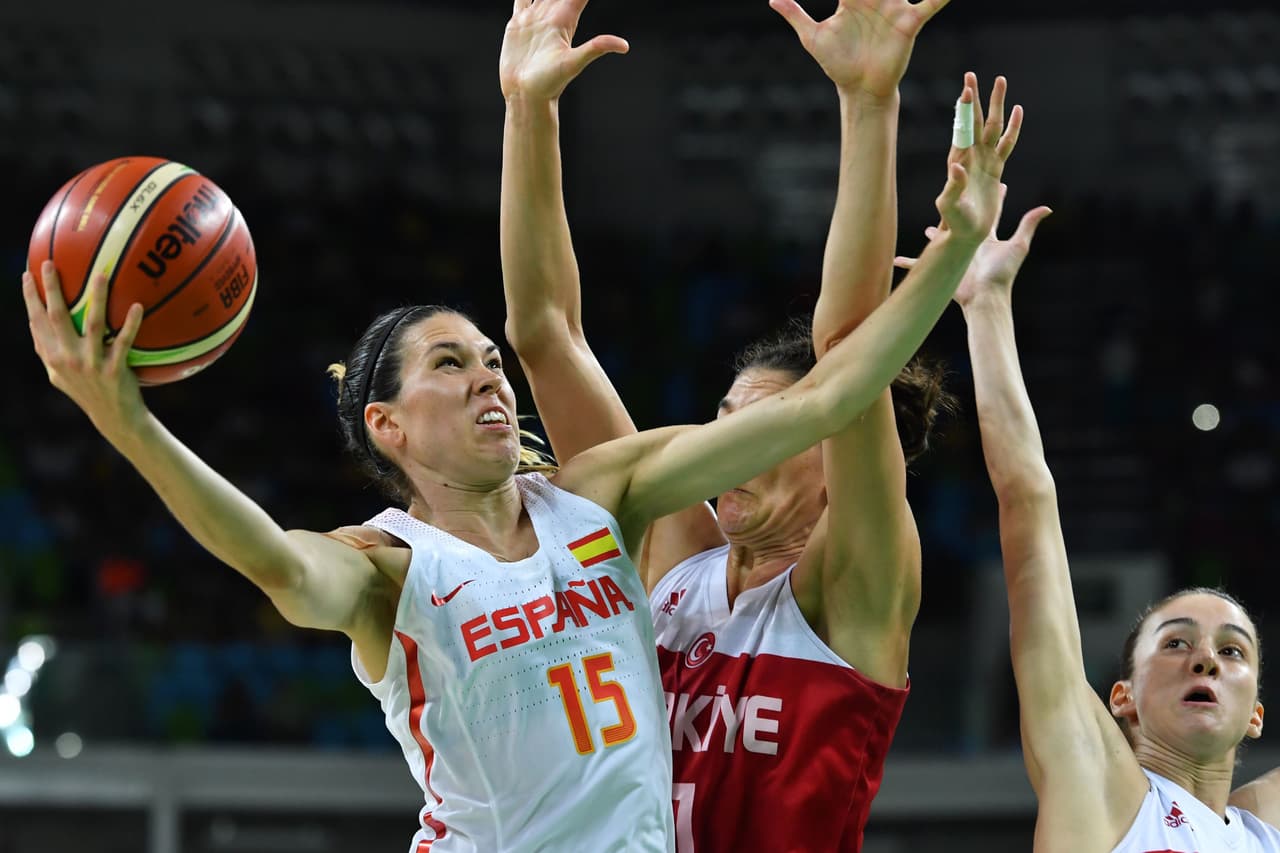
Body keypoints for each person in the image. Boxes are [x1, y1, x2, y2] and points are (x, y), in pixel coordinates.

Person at [21, 100, 998, 853]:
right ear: (387, 425)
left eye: (486, 360)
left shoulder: (596, 503)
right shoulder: (390, 566)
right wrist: (132, 425)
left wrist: (948, 250)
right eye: (450, 364)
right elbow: (275, 562)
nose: (489, 375)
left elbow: (826, 398)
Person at [499, 0, 1021, 849]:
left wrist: (868, 102)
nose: (728, 443)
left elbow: (848, 346)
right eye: (722, 419)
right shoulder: (678, 562)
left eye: (763, 426)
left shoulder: (852, 590)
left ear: (826, 453)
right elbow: (545, 335)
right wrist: (529, 108)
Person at [921, 175, 1280, 850]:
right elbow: (1027, 503)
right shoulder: (1100, 787)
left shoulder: (1261, 828)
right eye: (1175, 642)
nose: (1205, 658)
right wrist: (988, 305)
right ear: (1122, 697)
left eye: (1232, 651)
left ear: (1255, 713)